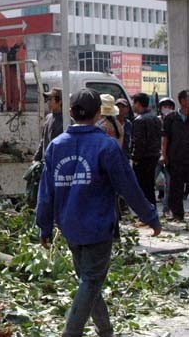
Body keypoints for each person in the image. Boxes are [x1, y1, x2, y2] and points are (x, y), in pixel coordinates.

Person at [36, 88, 160, 337]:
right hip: (97, 226)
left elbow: (45, 191)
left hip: (70, 226)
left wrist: (44, 226)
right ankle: (71, 332)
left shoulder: (56, 147)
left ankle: (105, 330)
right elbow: (129, 186)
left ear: (71, 112)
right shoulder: (107, 146)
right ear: (97, 114)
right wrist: (150, 216)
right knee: (91, 281)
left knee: (88, 280)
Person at [130, 92, 162, 207]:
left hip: (143, 159)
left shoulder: (139, 120)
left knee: (143, 188)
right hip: (153, 156)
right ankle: (151, 211)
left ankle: (146, 214)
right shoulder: (156, 119)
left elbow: (139, 142)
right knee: (149, 187)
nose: (133, 106)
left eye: (134, 103)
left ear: (138, 103)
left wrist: (135, 158)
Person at [162, 89, 189, 221]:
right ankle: (177, 214)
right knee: (176, 188)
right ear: (182, 101)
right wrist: (163, 155)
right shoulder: (171, 118)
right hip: (176, 158)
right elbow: (165, 138)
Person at [33, 87, 64, 162]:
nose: (48, 102)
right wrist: (36, 159)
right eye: (48, 100)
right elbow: (43, 140)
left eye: (50, 99)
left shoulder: (67, 120)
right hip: (47, 162)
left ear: (59, 101)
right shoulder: (48, 118)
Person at [156, 97, 176, 208]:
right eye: (165, 106)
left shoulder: (175, 121)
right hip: (156, 155)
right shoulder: (156, 120)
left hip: (170, 157)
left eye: (169, 107)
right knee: (151, 181)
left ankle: (166, 208)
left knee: (169, 184)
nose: (167, 109)